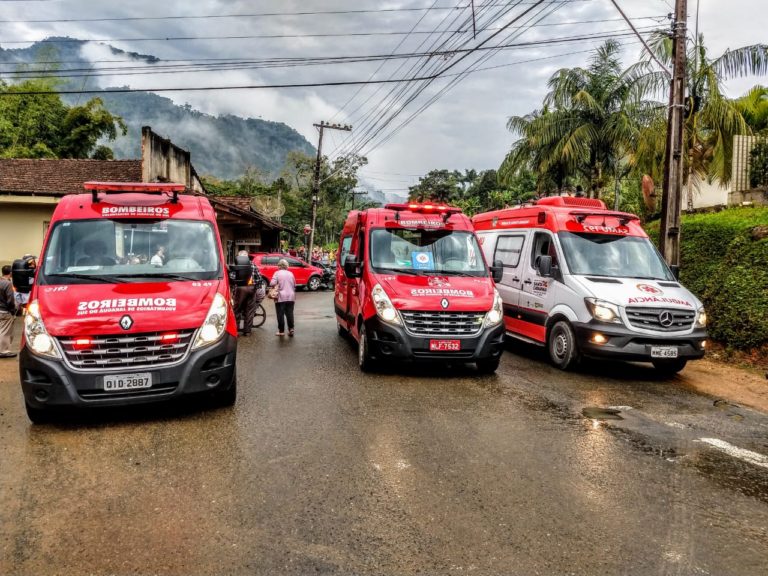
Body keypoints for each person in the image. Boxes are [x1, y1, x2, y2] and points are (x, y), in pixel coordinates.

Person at [232, 250, 257, 336]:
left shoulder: (237, 265)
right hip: (251, 288)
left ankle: (235, 330)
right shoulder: (253, 265)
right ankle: (247, 331)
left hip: (240, 289)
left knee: (237, 309)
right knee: (249, 310)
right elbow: (259, 279)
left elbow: (232, 278)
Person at [269, 258, 296, 337]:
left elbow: (272, 283)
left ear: (279, 266)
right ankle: (291, 329)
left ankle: (281, 331)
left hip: (281, 297)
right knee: (290, 313)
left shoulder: (277, 273)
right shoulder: (291, 273)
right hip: (291, 296)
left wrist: (277, 284)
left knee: (280, 314)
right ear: (286, 266)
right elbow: (294, 284)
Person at [0, 265, 18, 358]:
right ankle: (4, 351)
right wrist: (12, 310)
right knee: (5, 332)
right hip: (5, 311)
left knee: (1, 330)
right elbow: (10, 300)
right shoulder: (7, 284)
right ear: (10, 273)